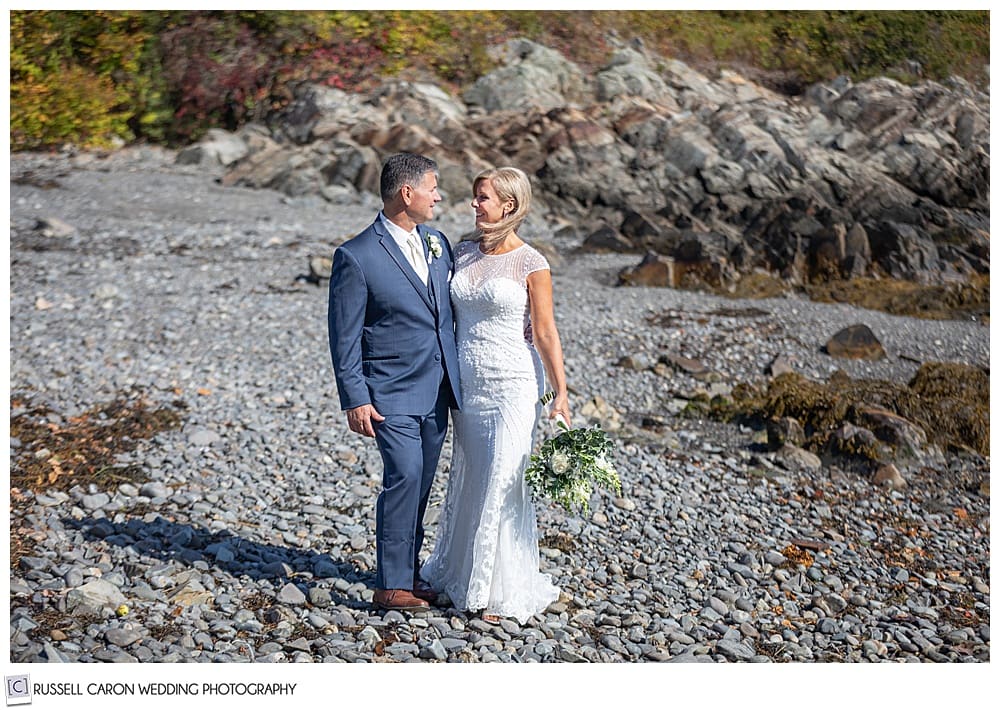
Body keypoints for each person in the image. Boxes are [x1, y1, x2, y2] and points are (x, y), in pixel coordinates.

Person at [421, 166, 570, 624]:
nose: (474, 204)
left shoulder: (532, 262)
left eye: (482, 197)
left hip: (514, 383)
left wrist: (561, 392)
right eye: (474, 196)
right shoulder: (461, 252)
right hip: (468, 385)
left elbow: (544, 330)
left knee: (505, 477)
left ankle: (493, 589)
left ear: (508, 204)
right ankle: (462, 575)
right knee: (473, 476)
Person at [327, 152, 462, 612]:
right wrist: (354, 397)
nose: (439, 195)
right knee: (403, 475)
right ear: (408, 193)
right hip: (388, 391)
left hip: (439, 387)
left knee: (422, 481)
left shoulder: (437, 242)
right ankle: (390, 585)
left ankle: (408, 571)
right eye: (433, 187)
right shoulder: (356, 255)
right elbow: (343, 334)